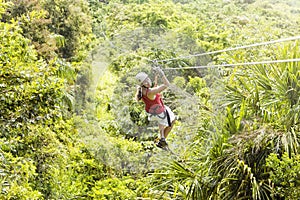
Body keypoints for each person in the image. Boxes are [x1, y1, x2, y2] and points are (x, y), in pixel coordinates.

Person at [135, 68, 176, 148]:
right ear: (142, 84)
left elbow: (154, 89)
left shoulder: (142, 90)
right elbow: (167, 85)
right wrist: (162, 73)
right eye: (145, 82)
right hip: (159, 111)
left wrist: (156, 76)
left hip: (151, 112)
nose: (148, 82)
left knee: (162, 120)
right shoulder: (150, 92)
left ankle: (162, 137)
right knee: (172, 121)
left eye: (148, 79)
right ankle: (162, 139)